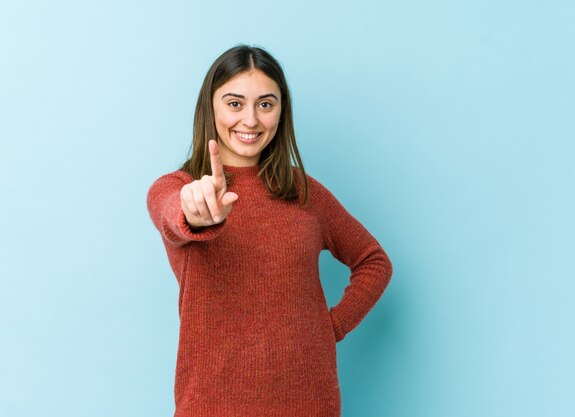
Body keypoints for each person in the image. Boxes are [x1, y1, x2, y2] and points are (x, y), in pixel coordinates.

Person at [146, 44, 393, 417]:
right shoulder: (175, 188)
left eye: (265, 104)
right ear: (210, 108)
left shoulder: (304, 192)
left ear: (281, 111)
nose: (250, 120)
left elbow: (374, 261)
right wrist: (196, 211)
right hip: (212, 405)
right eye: (234, 103)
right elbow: (173, 214)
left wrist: (331, 328)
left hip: (309, 401)